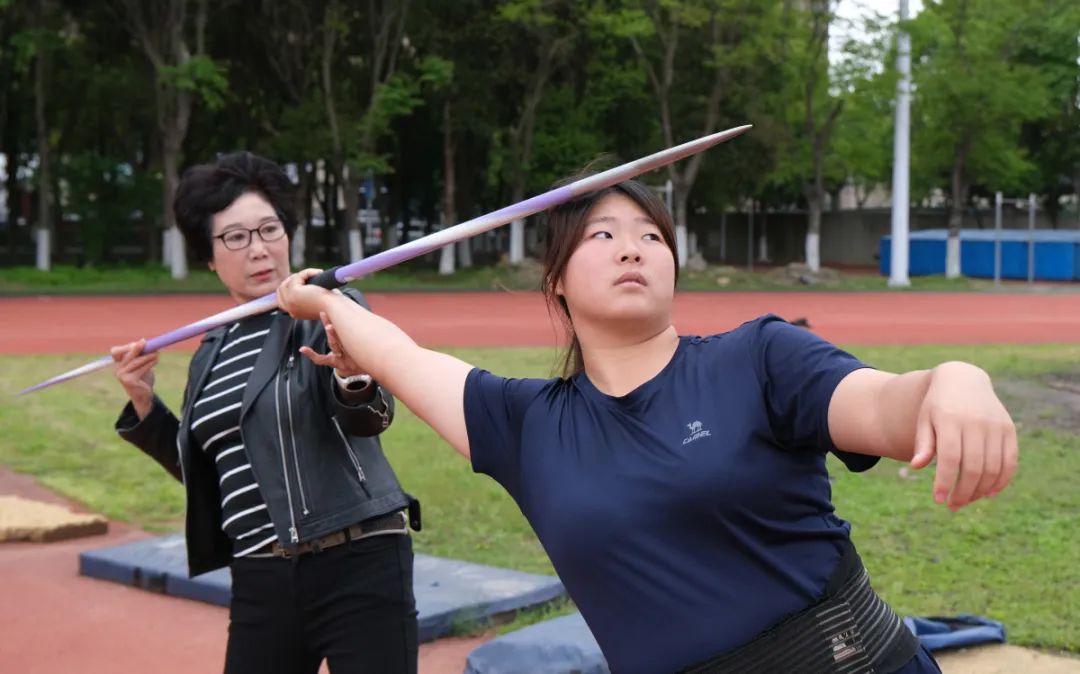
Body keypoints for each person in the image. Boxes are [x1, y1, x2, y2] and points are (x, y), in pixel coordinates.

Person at [276, 177, 1017, 674]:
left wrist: (954, 381)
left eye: (651, 236)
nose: (632, 246)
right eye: (601, 235)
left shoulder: (759, 358)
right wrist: (325, 301)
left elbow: (887, 403)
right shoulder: (521, 424)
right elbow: (400, 356)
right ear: (556, 280)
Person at [110, 151, 419, 674]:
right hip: (261, 579)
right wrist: (144, 402)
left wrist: (351, 375)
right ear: (208, 257)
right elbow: (212, 476)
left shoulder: (330, 306)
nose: (258, 249)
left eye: (269, 229)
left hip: (356, 562)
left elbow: (370, 416)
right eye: (235, 237)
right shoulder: (210, 351)